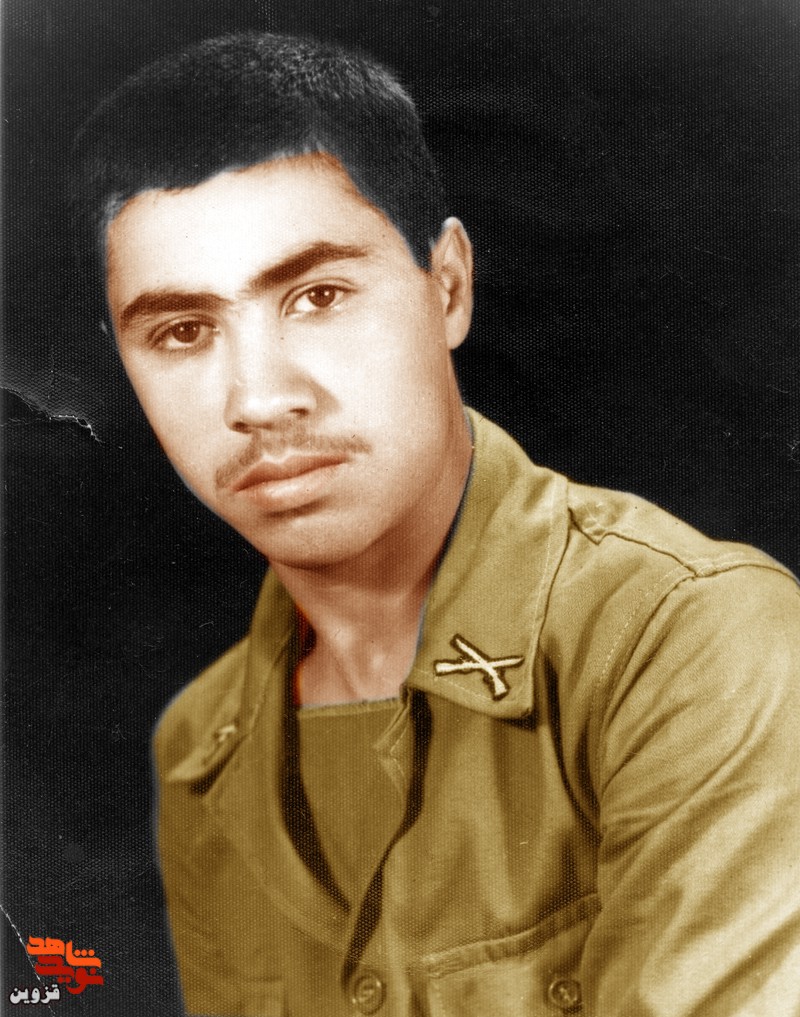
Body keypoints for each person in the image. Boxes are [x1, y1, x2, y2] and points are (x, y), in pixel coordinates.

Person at [73, 31, 800, 1017]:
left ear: (447, 285)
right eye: (182, 331)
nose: (258, 398)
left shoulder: (688, 641)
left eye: (317, 296)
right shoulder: (204, 747)